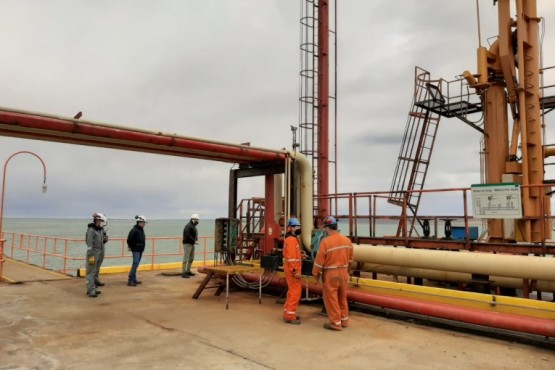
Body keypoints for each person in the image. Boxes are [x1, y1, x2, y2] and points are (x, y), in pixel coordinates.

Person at [312, 216, 354, 331]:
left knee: (331, 299)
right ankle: (344, 320)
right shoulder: (347, 240)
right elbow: (351, 260)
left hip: (331, 273)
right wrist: (347, 271)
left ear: (326, 228)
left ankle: (335, 323)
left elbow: (319, 261)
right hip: (344, 272)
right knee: (342, 297)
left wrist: (315, 273)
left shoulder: (325, 242)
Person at [282, 217, 303, 325]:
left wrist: (300, 255)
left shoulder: (291, 238)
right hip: (293, 270)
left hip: (290, 268)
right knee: (295, 292)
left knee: (291, 291)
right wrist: (295, 271)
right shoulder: (291, 239)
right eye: (297, 227)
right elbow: (291, 257)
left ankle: (288, 312)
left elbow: (292, 255)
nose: (299, 228)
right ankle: (290, 315)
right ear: (291, 228)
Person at [85, 213, 108, 298]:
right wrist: (91, 254)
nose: (103, 223)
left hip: (100, 251)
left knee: (96, 270)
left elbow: (102, 240)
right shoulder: (91, 230)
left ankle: (93, 287)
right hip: (93, 253)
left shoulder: (101, 229)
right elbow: (89, 242)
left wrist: (105, 239)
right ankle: (91, 290)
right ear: (97, 220)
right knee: (91, 271)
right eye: (101, 221)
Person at [127, 215, 147, 286]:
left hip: (140, 249)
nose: (144, 224)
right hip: (136, 249)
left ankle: (134, 279)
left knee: (136, 264)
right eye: (143, 223)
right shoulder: (134, 230)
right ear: (140, 222)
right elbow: (129, 239)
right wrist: (131, 247)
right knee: (135, 264)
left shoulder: (140, 230)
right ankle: (130, 280)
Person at [181, 213, 199, 278]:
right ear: (194, 220)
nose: (198, 222)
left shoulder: (192, 226)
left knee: (191, 258)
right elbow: (187, 235)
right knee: (186, 258)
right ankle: (183, 272)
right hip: (187, 244)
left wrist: (195, 240)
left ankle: (188, 270)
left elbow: (193, 234)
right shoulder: (188, 226)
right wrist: (194, 240)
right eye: (197, 221)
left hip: (191, 244)